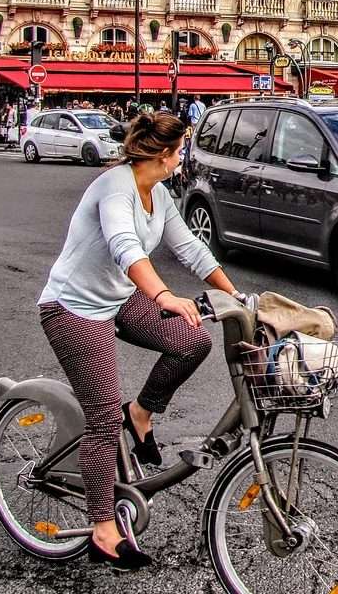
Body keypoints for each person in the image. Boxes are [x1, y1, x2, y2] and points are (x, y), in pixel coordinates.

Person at [38, 113, 243, 570]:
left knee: (191, 341)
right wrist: (164, 295)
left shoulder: (159, 193)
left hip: (118, 298)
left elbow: (189, 246)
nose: (183, 157)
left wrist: (234, 294)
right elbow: (124, 246)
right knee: (103, 419)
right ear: (164, 155)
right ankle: (102, 528)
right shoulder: (115, 187)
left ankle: (142, 413)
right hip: (72, 308)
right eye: (181, 150)